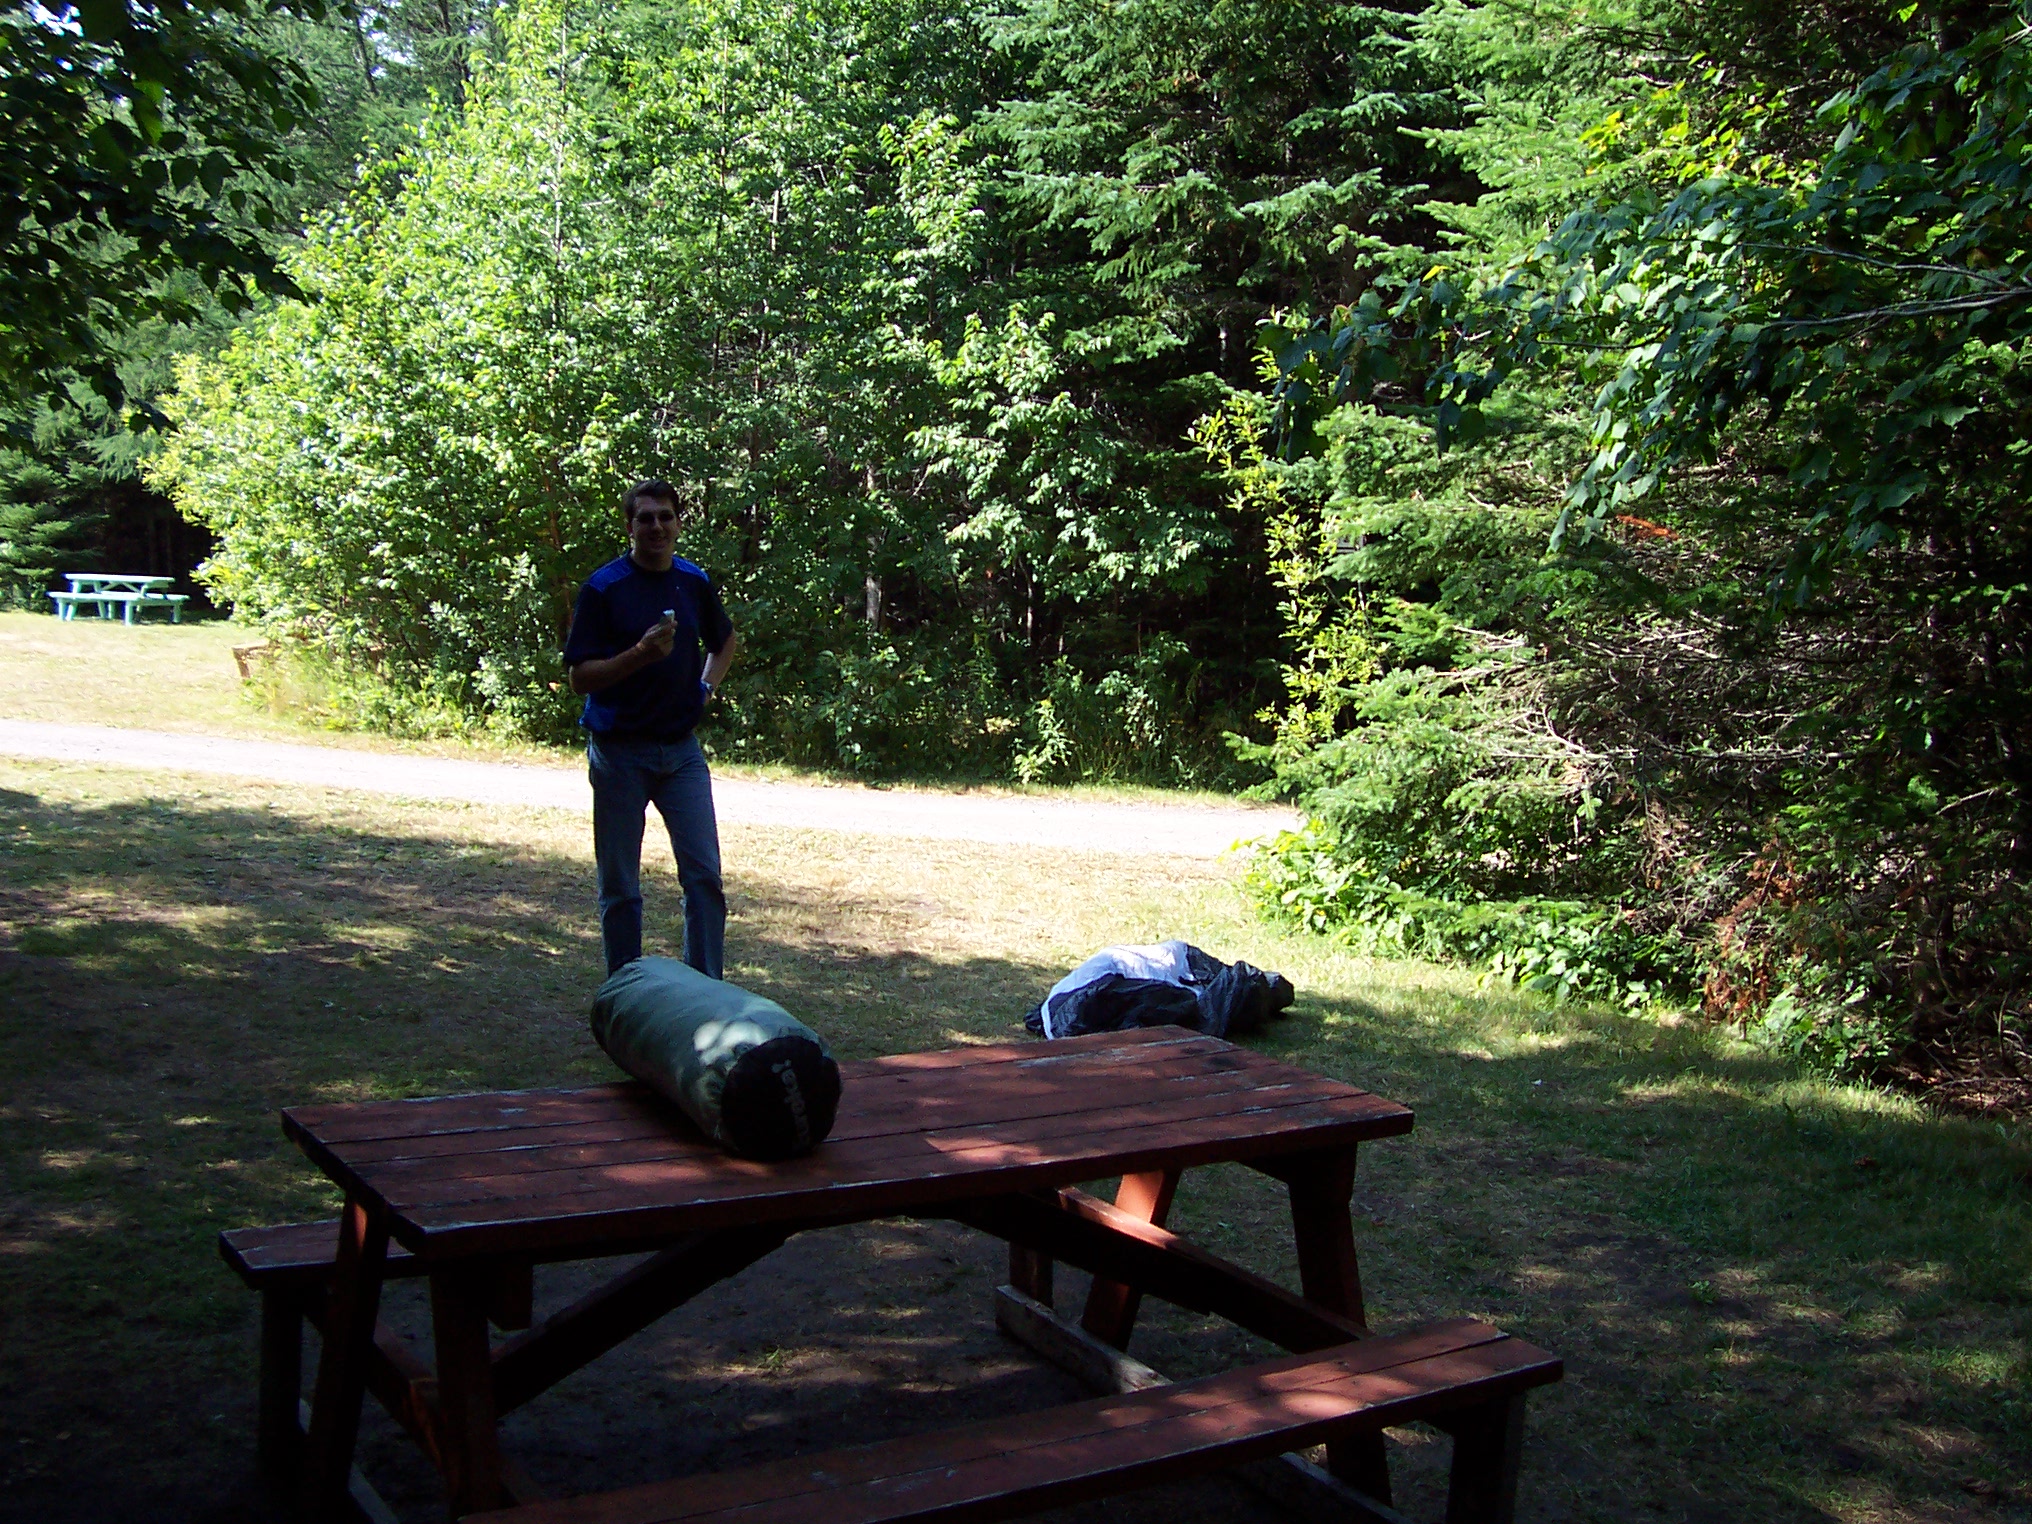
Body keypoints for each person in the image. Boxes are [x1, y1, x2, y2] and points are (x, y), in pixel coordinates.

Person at [564, 480, 740, 976]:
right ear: (630, 526)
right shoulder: (604, 588)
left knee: (704, 878)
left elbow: (725, 641)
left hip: (681, 752)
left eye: (666, 516)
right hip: (619, 752)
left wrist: (705, 690)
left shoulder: (692, 581)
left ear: (679, 523)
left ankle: (704, 990)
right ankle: (626, 991)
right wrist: (640, 654)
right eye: (645, 518)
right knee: (621, 887)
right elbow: (579, 677)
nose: (656, 527)